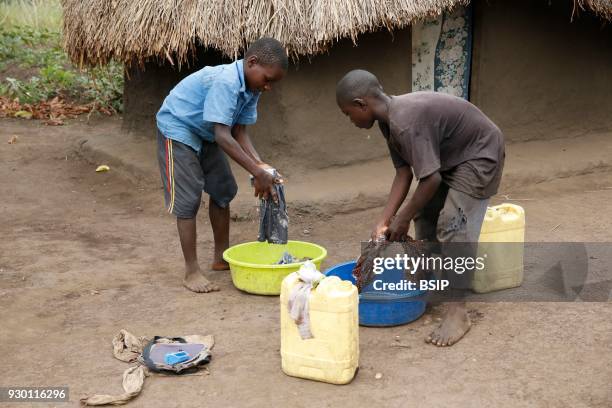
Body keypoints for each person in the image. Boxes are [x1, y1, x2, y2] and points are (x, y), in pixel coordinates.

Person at [336, 69, 505, 346]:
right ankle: (430, 282)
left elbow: (431, 178)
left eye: (348, 113)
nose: (350, 120)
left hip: (480, 153)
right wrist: (385, 220)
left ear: (361, 104)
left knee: (452, 224)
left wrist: (402, 218)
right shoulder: (387, 121)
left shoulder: (404, 122)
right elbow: (404, 173)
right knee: (425, 216)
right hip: (452, 157)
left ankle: (457, 311)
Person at [156, 38, 287, 293]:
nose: (269, 87)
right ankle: (192, 271)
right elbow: (223, 136)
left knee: (224, 189)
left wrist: (262, 166)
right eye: (268, 79)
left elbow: (239, 132)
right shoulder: (227, 81)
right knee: (188, 200)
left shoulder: (252, 88)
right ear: (252, 63)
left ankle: (221, 257)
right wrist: (256, 171)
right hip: (178, 128)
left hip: (206, 132)